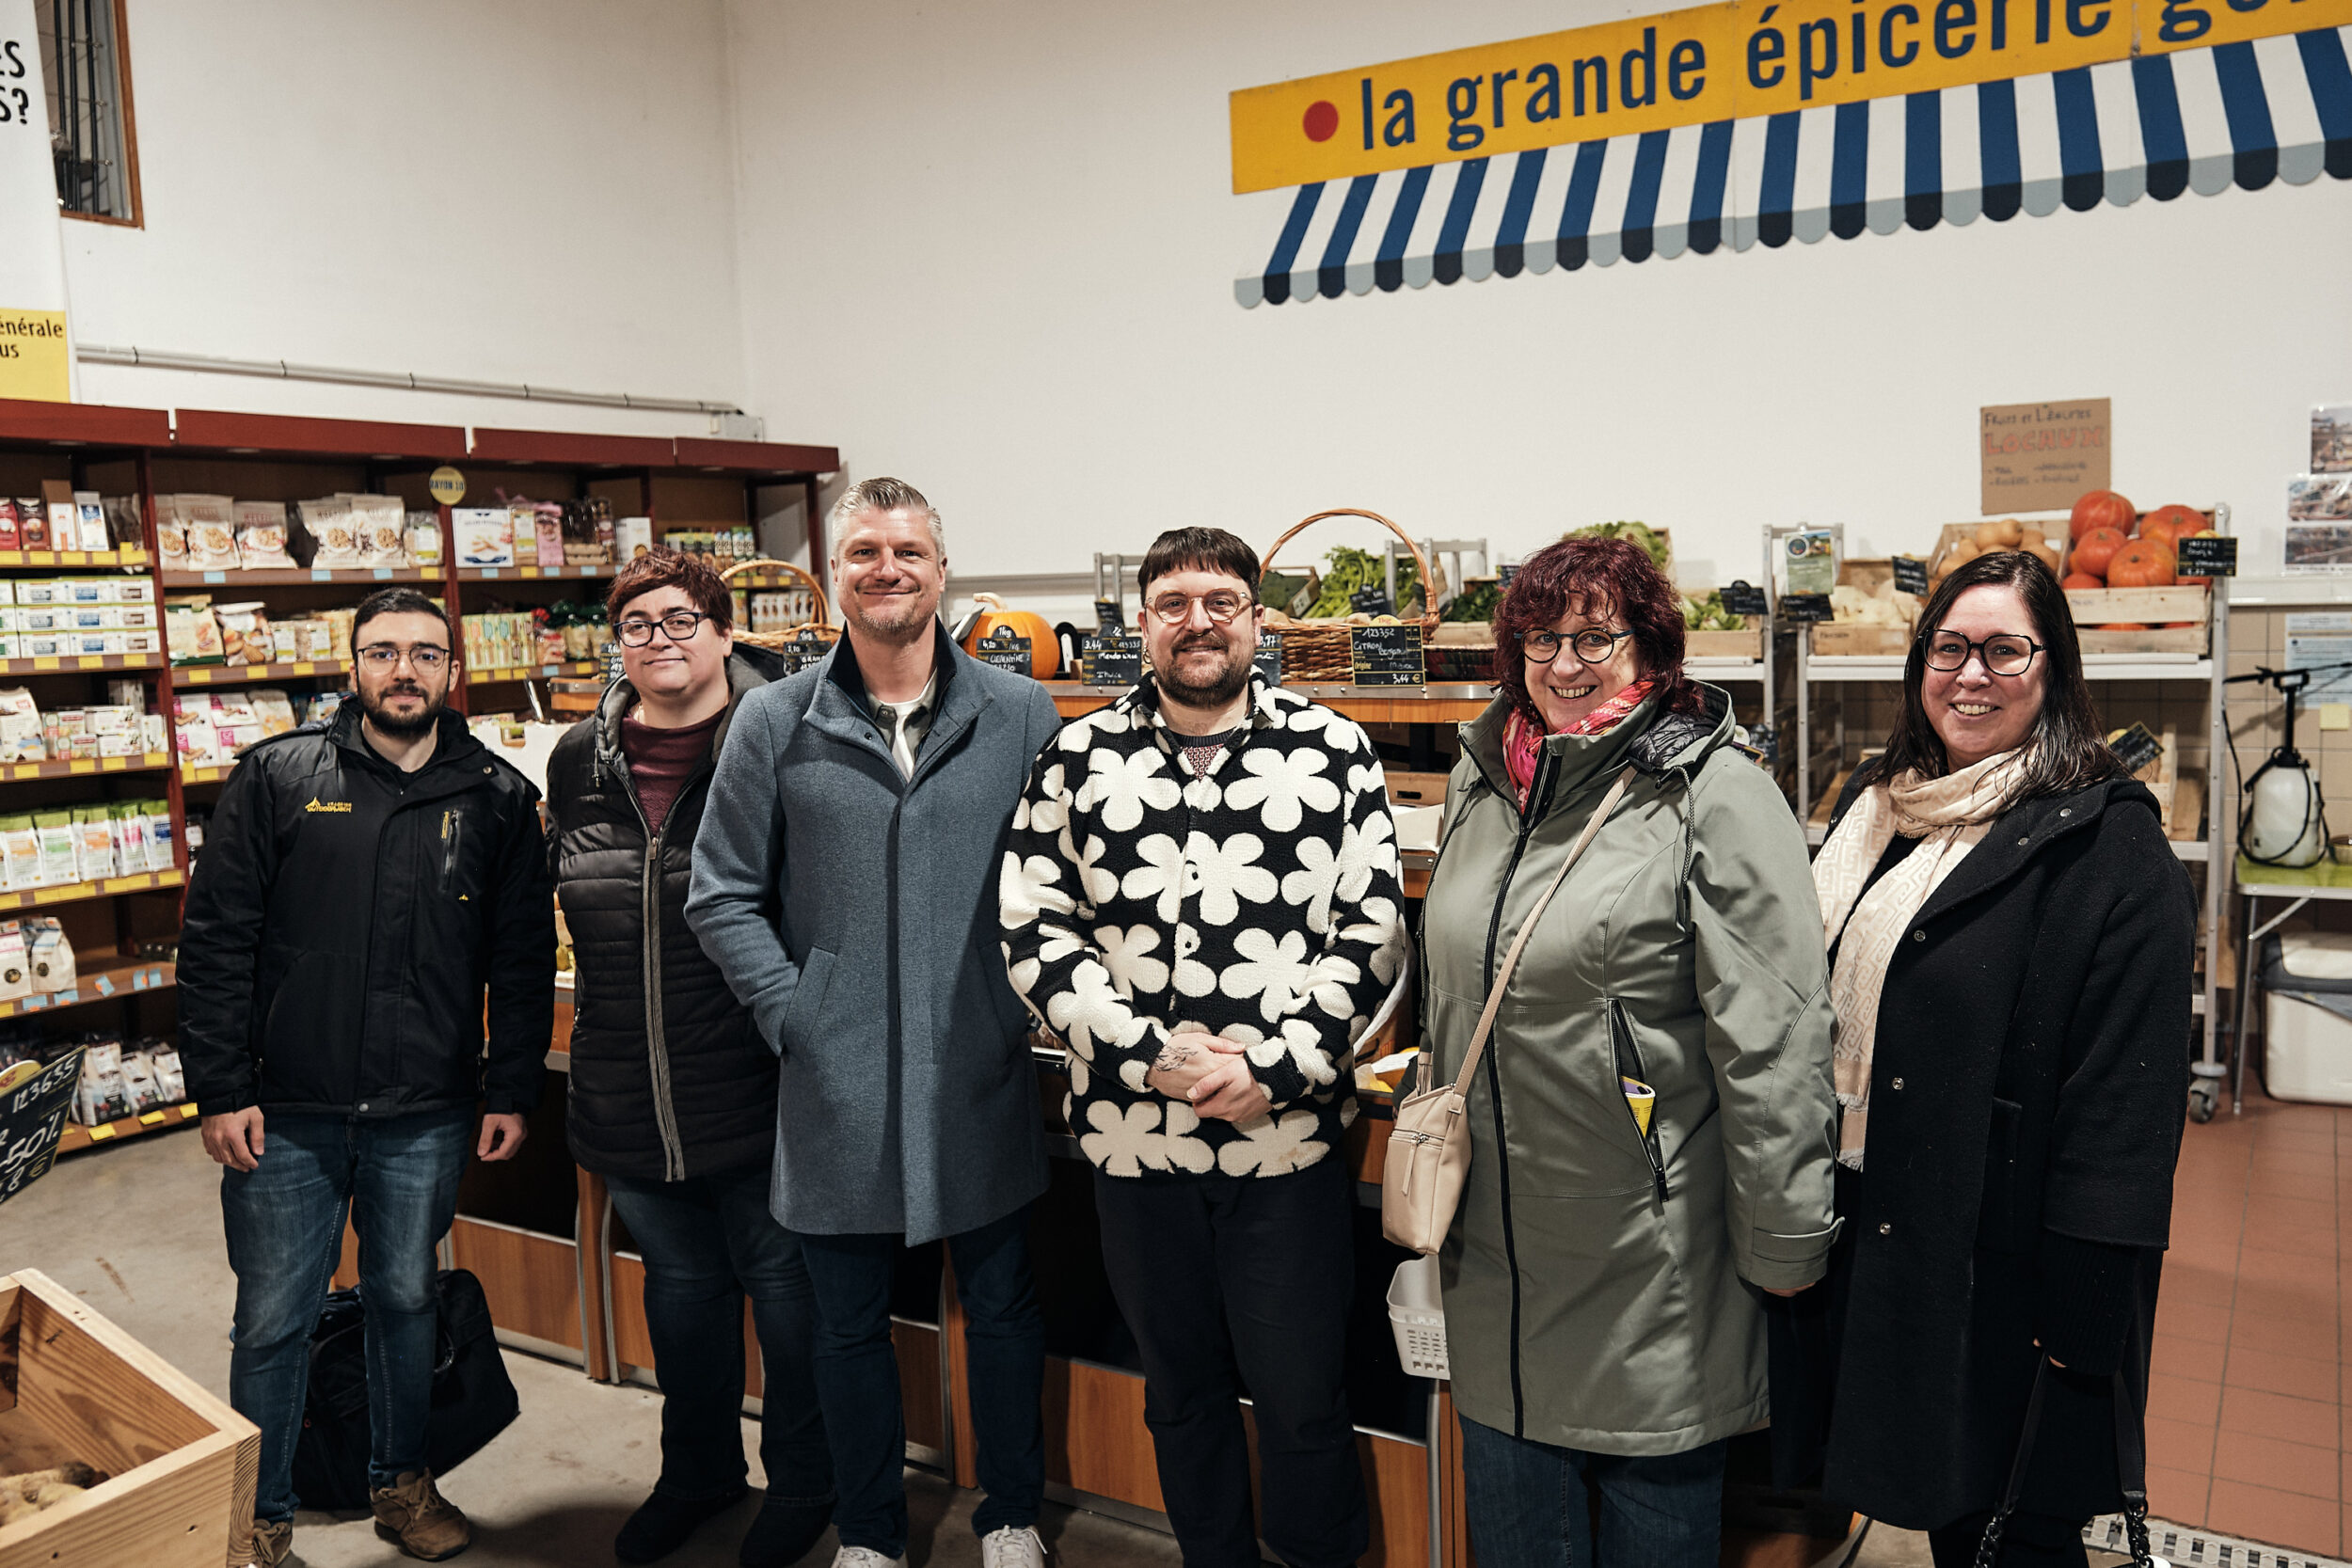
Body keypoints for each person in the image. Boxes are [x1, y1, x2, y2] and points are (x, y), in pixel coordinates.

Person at [1414, 536, 1837, 1568]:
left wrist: (1786, 1235)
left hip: (1646, 1265)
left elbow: (1775, 1037)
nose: (1565, 663)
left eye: (1595, 637)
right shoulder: (1485, 778)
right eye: (1541, 638)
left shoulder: (1713, 792)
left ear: (1650, 647)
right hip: (1493, 1267)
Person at [1000, 527, 1407, 1568]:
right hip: (1135, 1142)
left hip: (1286, 1144)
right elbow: (1034, 927)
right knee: (1179, 1395)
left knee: (1303, 1395)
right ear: (1142, 622)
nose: (1198, 622)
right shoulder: (1077, 756)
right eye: (1173, 602)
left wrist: (1271, 1068)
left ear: (1256, 619)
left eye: (1221, 600)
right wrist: (1151, 1057)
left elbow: (1371, 933)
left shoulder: (1331, 748)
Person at [687, 477, 1064, 1568]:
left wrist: (1015, 1002)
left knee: (1001, 1307)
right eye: (862, 551)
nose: (885, 568)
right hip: (835, 1075)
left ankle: (1010, 1514)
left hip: (976, 1061)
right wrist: (794, 1011)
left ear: (942, 572)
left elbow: (1057, 878)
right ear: (834, 576)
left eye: (906, 550)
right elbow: (720, 891)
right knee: (844, 1323)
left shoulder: (1020, 711)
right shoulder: (774, 719)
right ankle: (869, 1531)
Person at [1800, 550, 2193, 1566]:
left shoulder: (2108, 846)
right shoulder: (1877, 807)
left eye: (2004, 650)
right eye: (1949, 648)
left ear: (2052, 667)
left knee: (2005, 1529)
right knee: (1920, 1488)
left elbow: (2122, 1114)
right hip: (1871, 1230)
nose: (1970, 674)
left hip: (2003, 1275)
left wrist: (2083, 1322)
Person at [180, 585, 555, 1566]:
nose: (404, 670)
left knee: (405, 1299)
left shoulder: (497, 795)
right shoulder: (278, 775)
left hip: (424, 1109)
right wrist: (220, 1089)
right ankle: (258, 1520)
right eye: (383, 651)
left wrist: (511, 1087)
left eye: (425, 653)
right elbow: (216, 941)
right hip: (285, 1109)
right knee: (272, 1320)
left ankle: (400, 1481)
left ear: (453, 670)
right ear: (353, 667)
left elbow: (518, 959)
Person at [545, 550, 834, 1567]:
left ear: (722, 631)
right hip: (628, 1078)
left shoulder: (788, 734)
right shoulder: (578, 757)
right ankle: (699, 1472)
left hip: (761, 1081)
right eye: (637, 624)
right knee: (681, 1299)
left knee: (788, 1301)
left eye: (680, 620)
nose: (659, 640)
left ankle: (806, 1481)